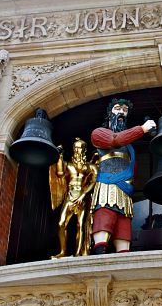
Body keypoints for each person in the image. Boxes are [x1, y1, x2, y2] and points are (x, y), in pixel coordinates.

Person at [89, 98, 156, 254]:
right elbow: (115, 140)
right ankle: (99, 252)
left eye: (125, 110)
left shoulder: (130, 148)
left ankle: (123, 254)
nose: (121, 113)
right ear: (109, 113)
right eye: (118, 108)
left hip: (125, 190)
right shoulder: (99, 133)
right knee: (105, 217)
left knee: (123, 226)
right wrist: (142, 129)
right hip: (108, 185)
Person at [49, 138, 98, 258]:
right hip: (69, 196)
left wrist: (83, 195)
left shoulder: (89, 167)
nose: (77, 150)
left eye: (79, 147)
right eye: (75, 147)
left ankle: (78, 253)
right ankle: (63, 251)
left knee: (80, 225)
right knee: (61, 223)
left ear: (84, 150)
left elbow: (93, 182)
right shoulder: (68, 165)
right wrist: (59, 156)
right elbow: (59, 173)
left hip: (82, 197)